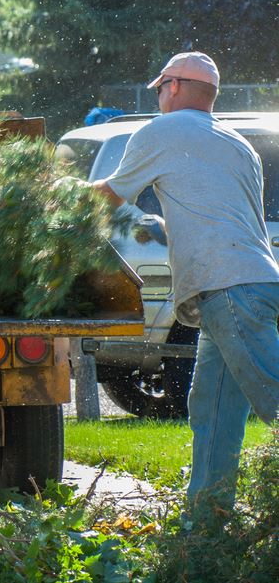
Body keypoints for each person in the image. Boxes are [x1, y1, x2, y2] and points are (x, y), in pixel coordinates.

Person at [91, 51, 279, 513]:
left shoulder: (162, 131)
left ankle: (206, 523)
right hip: (247, 283)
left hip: (229, 288)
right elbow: (221, 214)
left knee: (272, 392)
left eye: (159, 88)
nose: (157, 96)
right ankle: (205, 529)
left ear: (173, 86)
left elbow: (106, 198)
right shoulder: (238, 144)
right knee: (212, 413)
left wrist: (46, 191)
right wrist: (158, 225)